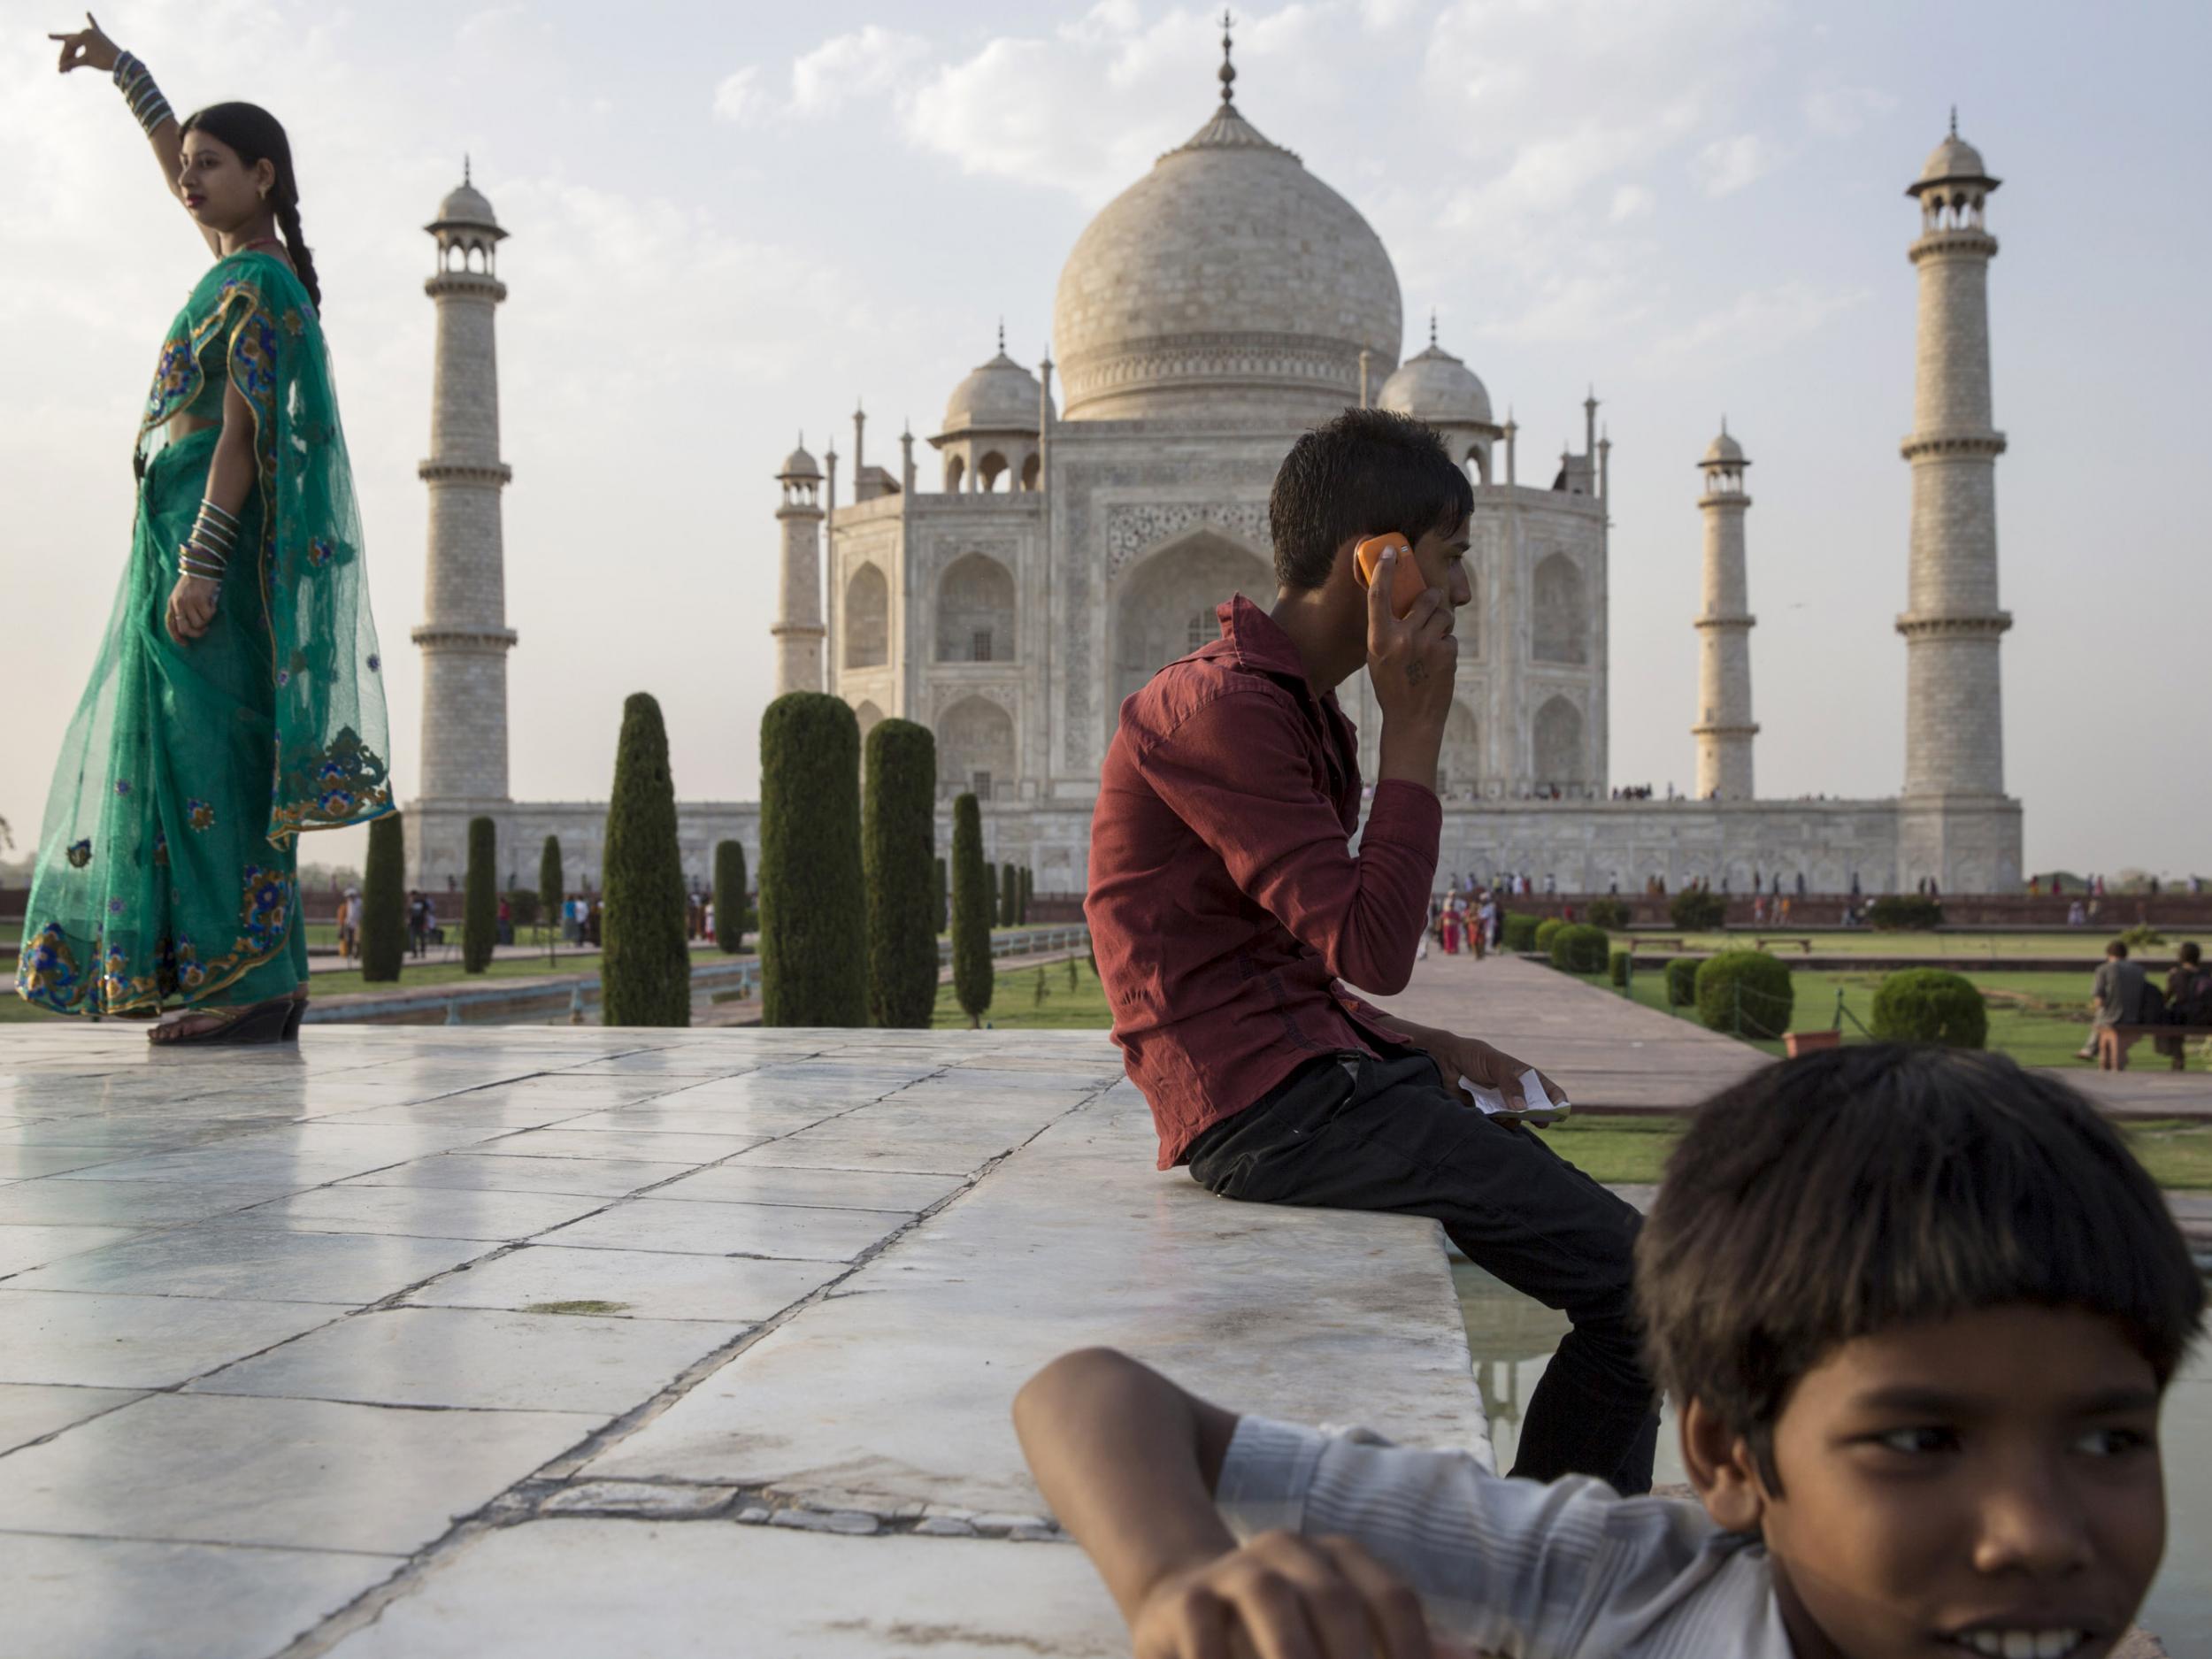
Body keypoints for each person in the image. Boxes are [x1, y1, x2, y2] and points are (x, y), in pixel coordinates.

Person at [1014, 1046, 2203, 1659]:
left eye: (2109, 1436)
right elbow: (1090, 1394)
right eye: (1922, 1438)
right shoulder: (1628, 1585)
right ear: (1727, 1454)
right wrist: (1175, 1576)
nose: (2039, 1529)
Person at [1085, 409, 1655, 1494]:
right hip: (1275, 1122)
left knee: (1638, 1283)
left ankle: (1550, 1557)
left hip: (1311, 1094)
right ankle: (1551, 1575)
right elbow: (1371, 943)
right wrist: (1416, 729)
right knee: (1638, 1293)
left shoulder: (1284, 708)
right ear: (1378, 563)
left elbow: (1289, 969)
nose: (1468, 592)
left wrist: (1426, 1045)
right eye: (1453, 559)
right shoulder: (1217, 709)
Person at [17, 24, 389, 1043]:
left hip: (204, 537)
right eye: (186, 168)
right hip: (169, 522)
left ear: (262, 177)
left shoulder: (263, 285)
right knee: (189, 750)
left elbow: (241, 432)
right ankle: (247, 977)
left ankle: (250, 982)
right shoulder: (235, 267)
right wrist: (122, 71)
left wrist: (203, 563)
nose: (189, 180)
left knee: (214, 754)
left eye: (211, 166)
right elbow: (171, 155)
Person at [2085, 938, 2147, 1068]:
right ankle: (2092, 1050)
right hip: (2136, 1016)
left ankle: (2090, 1049)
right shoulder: (2139, 970)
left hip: (2112, 1017)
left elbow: (2099, 1000)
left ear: (2108, 954)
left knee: (2101, 1015)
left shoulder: (2104, 969)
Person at [2155, 941, 2208, 1072]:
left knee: (2168, 1017)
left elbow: (2166, 998)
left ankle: (2177, 1056)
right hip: (2204, 1017)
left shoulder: (2177, 974)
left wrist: (2170, 978)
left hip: (2183, 1017)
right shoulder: (2205, 975)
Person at [334, 886, 360, 965]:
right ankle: (349, 954)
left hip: (357, 924)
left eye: (350, 896)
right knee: (349, 940)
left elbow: (359, 914)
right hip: (349, 924)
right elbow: (349, 915)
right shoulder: (349, 903)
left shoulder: (359, 903)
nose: (348, 898)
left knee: (357, 941)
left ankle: (356, 954)